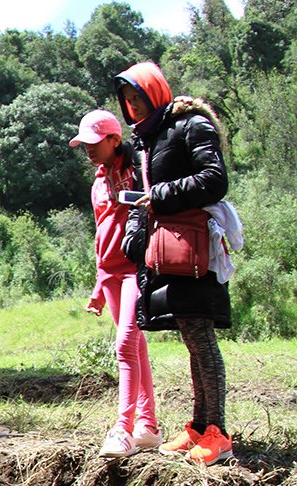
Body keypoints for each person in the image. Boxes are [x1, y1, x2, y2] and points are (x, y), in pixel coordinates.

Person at [117, 61, 233, 465]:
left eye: (139, 97)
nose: (133, 106)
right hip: (167, 249)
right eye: (127, 100)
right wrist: (135, 232)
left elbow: (214, 180)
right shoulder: (145, 141)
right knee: (191, 336)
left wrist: (161, 195)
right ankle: (200, 429)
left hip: (196, 247)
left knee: (201, 337)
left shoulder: (191, 125)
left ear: (156, 92)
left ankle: (217, 433)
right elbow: (142, 193)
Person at [70, 108, 160, 458]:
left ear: (114, 139)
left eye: (95, 142)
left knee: (125, 344)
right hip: (109, 272)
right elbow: (100, 231)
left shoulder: (138, 170)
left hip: (136, 267)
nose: (89, 149)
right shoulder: (97, 182)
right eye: (84, 143)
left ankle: (122, 429)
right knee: (136, 348)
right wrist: (97, 283)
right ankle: (148, 426)